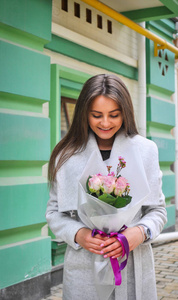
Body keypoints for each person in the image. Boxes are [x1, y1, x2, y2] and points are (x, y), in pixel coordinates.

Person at [46, 74, 167, 300]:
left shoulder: (146, 151)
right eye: (96, 115)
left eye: (114, 115)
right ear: (84, 113)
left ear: (125, 113)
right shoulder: (66, 155)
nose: (105, 123)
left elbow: (158, 211)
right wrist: (79, 234)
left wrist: (138, 233)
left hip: (132, 265)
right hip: (84, 266)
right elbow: (54, 213)